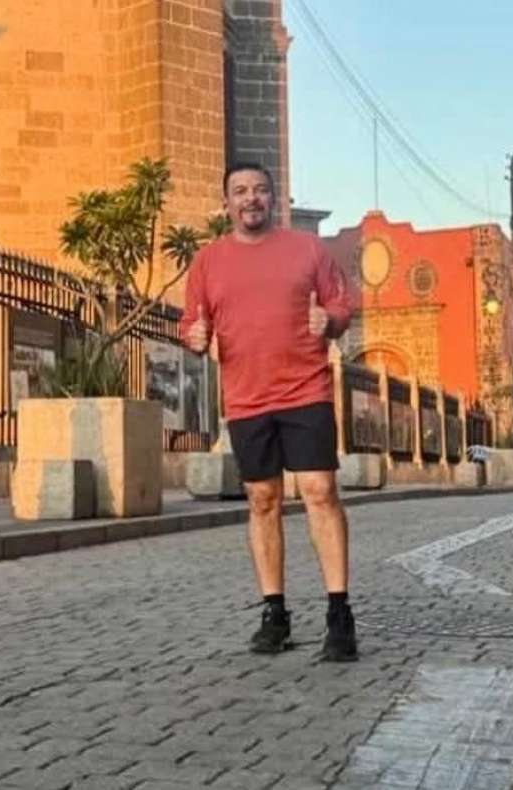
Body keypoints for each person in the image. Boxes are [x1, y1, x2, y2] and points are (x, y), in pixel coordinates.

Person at [178, 162, 358, 661]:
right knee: (262, 499)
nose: (250, 198)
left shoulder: (307, 249)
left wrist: (330, 320)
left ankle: (339, 613)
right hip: (247, 397)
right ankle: (274, 613)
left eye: (259, 190)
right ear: (226, 204)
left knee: (320, 491)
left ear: (273, 199)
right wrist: (194, 336)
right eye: (240, 191)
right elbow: (191, 321)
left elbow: (342, 305)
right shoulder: (208, 261)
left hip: (306, 390)